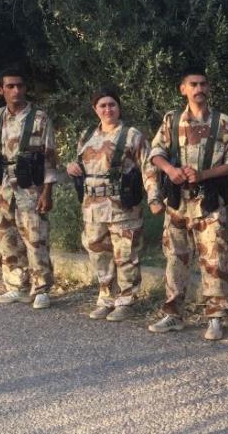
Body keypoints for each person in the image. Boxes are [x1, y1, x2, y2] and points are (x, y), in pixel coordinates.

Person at [147, 67, 228, 341]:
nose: (198, 89)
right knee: (175, 257)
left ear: (208, 88)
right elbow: (156, 152)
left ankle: (215, 317)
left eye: (202, 84)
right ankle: (173, 314)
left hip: (208, 201)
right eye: (193, 84)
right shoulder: (171, 120)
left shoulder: (223, 123)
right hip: (178, 201)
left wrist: (203, 174)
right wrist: (169, 170)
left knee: (214, 258)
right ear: (183, 89)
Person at [66, 88, 155, 321]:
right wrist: (72, 168)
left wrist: (155, 198)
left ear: (119, 107)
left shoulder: (132, 135)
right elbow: (81, 164)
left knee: (125, 253)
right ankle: (106, 298)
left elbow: (148, 168)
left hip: (122, 205)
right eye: (103, 105)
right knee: (98, 252)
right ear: (95, 109)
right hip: (93, 207)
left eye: (112, 105)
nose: (108, 110)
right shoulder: (87, 135)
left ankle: (126, 300)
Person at [0, 67, 57, 309]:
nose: (16, 90)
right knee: (7, 237)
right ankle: (16, 285)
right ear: (0, 90)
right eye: (10, 86)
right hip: (2, 187)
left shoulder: (40, 118)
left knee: (35, 237)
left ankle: (42, 288)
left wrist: (47, 192)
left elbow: (50, 158)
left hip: (30, 186)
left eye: (20, 85)